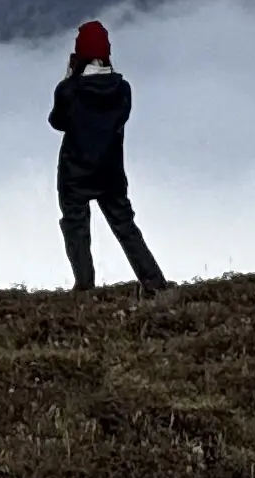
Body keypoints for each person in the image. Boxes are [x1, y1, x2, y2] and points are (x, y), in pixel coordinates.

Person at [50, 20, 168, 289]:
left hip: (74, 172)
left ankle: (84, 285)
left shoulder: (70, 90)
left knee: (76, 228)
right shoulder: (122, 89)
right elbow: (121, 117)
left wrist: (69, 78)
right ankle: (153, 281)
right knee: (125, 227)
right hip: (111, 171)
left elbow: (57, 122)